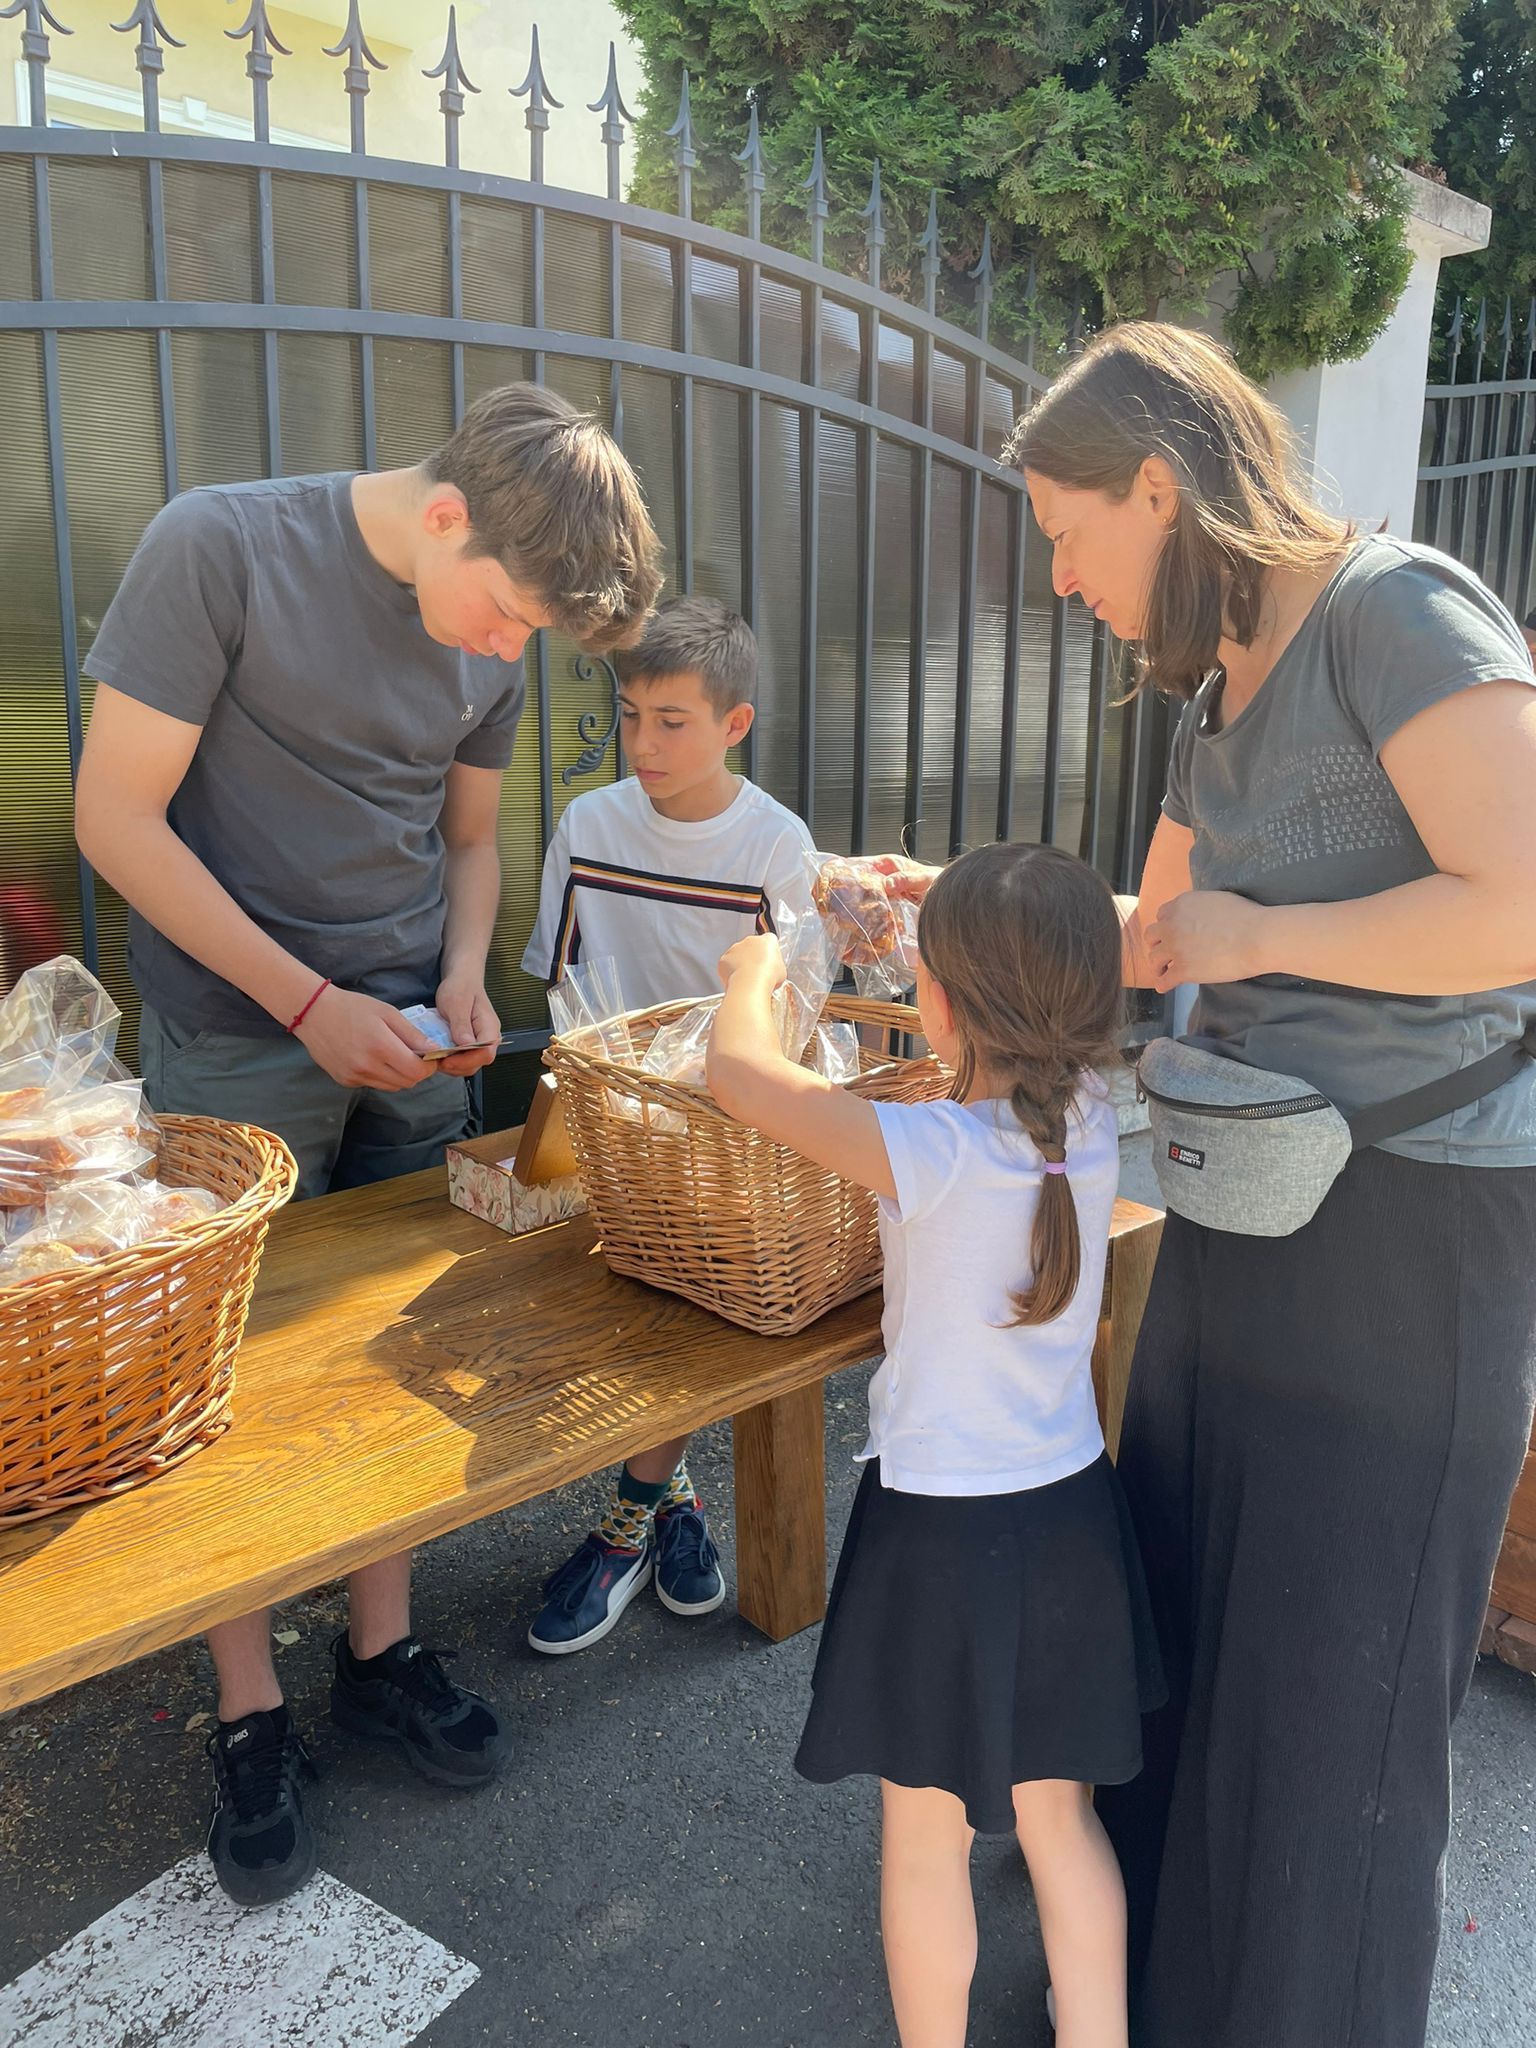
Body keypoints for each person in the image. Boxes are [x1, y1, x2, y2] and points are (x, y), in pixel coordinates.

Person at [893, 320, 1536, 2048]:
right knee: (1186, 1622)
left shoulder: (1400, 612)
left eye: (1067, 527)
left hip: (1417, 1232)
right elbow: (1151, 934)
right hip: (1252, 1211)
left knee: (1335, 1702)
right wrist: (945, 905)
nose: (1058, 572)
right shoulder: (1218, 689)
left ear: (1160, 486)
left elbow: (1524, 896)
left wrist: (1271, 932)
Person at [73, 382, 663, 1906]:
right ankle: (250, 1710)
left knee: (397, 1351)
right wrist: (305, 1001)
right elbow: (112, 820)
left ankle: (383, 1645)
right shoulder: (219, 549)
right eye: (503, 615)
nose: (503, 651)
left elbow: (468, 842)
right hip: (236, 1031)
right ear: (446, 512)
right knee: (233, 1376)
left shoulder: (489, 615)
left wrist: (468, 977)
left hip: (408, 1024)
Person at [707, 842, 1164, 2048]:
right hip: (1068, 1517)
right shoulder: (1093, 1118)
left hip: (938, 1537)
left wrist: (751, 971)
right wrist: (938, 903)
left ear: (942, 1005)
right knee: (1061, 1821)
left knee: (925, 1836)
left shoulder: (931, 1153)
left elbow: (741, 1075)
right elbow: (1040, 971)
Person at [519, 595, 817, 1652]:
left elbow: (801, 1012)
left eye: (674, 719)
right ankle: (667, 1502)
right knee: (612, 1325)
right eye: (632, 711)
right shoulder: (588, 824)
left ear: (735, 723)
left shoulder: (778, 845)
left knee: (689, 1326)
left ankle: (629, 1520)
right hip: (610, 1117)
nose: (644, 740)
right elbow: (562, 988)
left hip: (733, 1128)